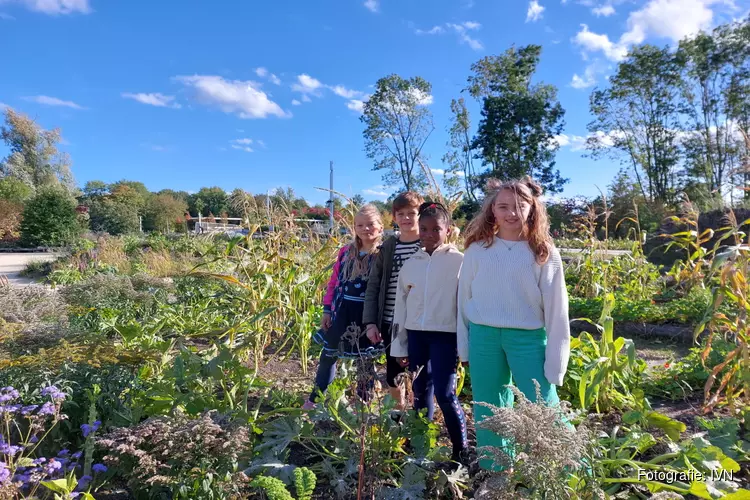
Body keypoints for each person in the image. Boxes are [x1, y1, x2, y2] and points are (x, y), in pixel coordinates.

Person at [457, 177, 571, 471]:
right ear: (492, 210)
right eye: (503, 206)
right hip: (484, 338)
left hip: (528, 339)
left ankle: (572, 469)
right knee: (488, 407)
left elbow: (558, 311)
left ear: (533, 209)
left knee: (544, 405)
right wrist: (465, 347)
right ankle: (497, 470)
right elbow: (464, 301)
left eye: (520, 206)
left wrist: (557, 362)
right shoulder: (477, 251)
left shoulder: (544, 253)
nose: (512, 213)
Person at [391, 202, 469, 463]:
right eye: (424, 229)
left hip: (445, 336)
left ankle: (461, 450)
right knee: (420, 390)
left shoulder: (460, 262)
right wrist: (399, 347)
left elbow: (466, 306)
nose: (429, 235)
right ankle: (422, 446)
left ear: (448, 230)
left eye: (436, 229)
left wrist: (465, 346)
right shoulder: (411, 264)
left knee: (446, 393)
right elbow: (400, 308)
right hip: (416, 336)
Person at [303, 204, 384, 409]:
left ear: (380, 227)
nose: (365, 229)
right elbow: (334, 282)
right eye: (360, 225)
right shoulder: (346, 253)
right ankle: (316, 397)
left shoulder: (383, 254)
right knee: (328, 355)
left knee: (365, 360)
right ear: (354, 228)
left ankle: (364, 403)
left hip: (367, 316)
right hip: (342, 312)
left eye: (370, 224)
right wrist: (327, 310)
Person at [363, 191, 424, 410]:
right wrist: (370, 322)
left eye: (412, 213)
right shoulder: (389, 247)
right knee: (393, 374)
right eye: (401, 214)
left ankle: (420, 417)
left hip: (420, 322)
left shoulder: (428, 245)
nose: (407, 218)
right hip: (391, 321)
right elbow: (374, 286)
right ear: (394, 217)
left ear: (421, 215)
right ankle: (398, 416)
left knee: (420, 375)